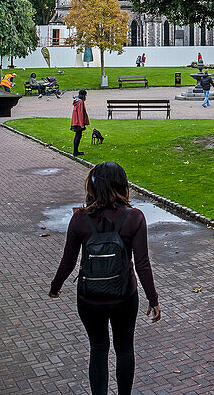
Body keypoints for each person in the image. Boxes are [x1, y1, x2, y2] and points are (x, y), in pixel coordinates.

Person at [49, 162, 161, 395]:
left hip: (90, 298)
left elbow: (68, 261)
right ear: (123, 185)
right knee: (124, 348)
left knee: (98, 349)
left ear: (93, 186)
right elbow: (142, 263)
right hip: (124, 296)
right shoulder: (134, 218)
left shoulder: (80, 219)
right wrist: (153, 299)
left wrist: (55, 286)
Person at [71, 90, 90, 157]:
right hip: (78, 122)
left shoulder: (77, 101)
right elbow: (80, 113)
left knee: (77, 136)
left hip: (75, 121)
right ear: (84, 95)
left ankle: (75, 151)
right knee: (78, 136)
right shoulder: (80, 102)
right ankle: (75, 152)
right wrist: (82, 124)